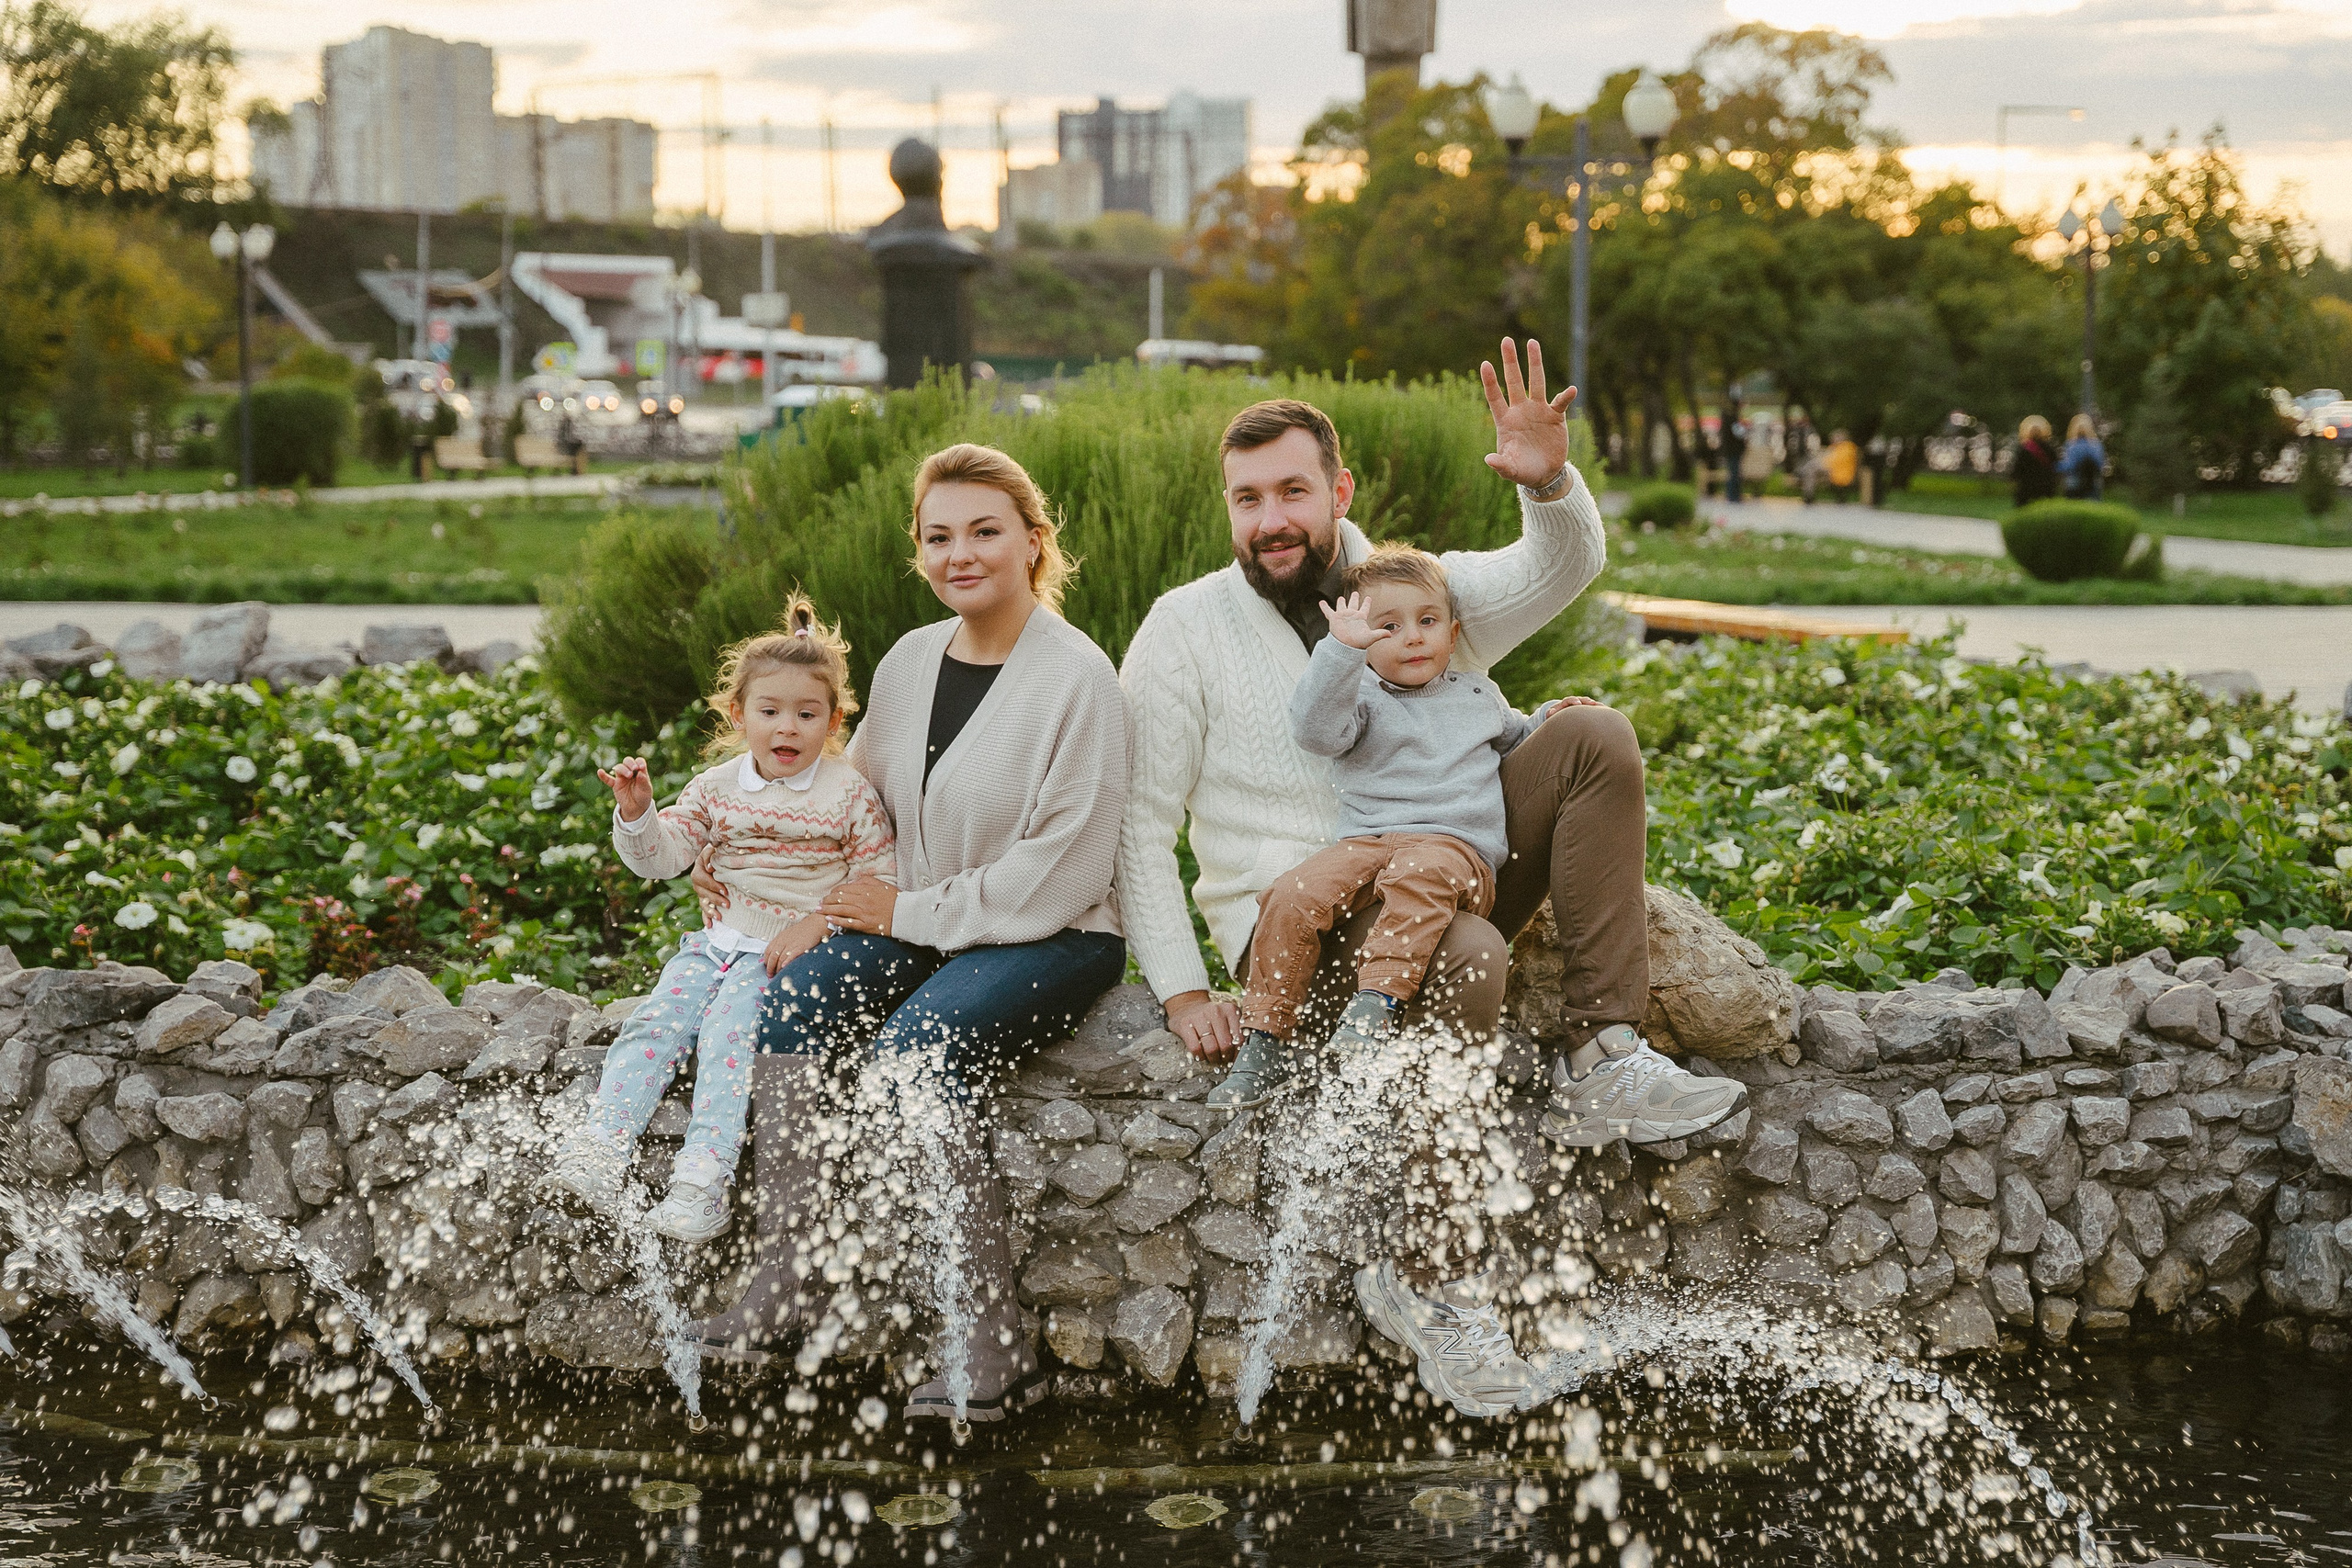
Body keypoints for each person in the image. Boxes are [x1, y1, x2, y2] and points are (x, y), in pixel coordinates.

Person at [1116, 340, 1745, 1420]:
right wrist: (1178, 986)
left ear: (1338, 491)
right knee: (1469, 956)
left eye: (1292, 492)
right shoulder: (1184, 626)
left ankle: (1605, 1048)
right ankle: (1431, 1273)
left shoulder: (1420, 594)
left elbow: (1562, 569)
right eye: (1246, 498)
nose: (1271, 519)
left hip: (1449, 870)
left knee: (1592, 733)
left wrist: (1548, 484)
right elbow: (1138, 819)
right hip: (1304, 922)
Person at [698, 443, 1132, 1427]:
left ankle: (990, 1342)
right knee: (796, 998)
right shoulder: (904, 662)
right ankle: (792, 1274)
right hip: (917, 919)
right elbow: (866, 814)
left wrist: (908, 915)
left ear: (1033, 541)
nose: (960, 553)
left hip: (1049, 934)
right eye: (938, 536)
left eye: (984, 531)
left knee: (919, 1051)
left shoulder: (1079, 680)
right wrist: (801, 896)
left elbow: (1059, 869)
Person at [548, 599, 894, 1240]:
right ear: (739, 714)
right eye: (769, 712)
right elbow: (664, 856)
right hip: (713, 943)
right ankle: (601, 1146)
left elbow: (878, 879)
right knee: (656, 1020)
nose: (786, 728)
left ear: (834, 719)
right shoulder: (715, 787)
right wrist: (637, 815)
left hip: (777, 955)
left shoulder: (848, 795)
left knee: (731, 1038)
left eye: (806, 714)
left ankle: (703, 1179)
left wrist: (821, 922)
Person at [1210, 546, 1575, 1109]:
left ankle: (1376, 1004)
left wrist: (1548, 716)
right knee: (1291, 893)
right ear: (1366, 642)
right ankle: (1266, 1038)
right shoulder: (1359, 700)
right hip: (1367, 841)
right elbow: (1313, 730)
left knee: (1419, 877)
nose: (1411, 637)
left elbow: (1516, 740)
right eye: (1388, 627)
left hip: (1453, 848)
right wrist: (1339, 654)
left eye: (1427, 622)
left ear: (1452, 634)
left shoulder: (1479, 693)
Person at [2012, 415, 2059, 507]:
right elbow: (2055, 468)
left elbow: (2017, 470)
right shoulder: (2050, 449)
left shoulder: (2024, 450)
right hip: (2046, 488)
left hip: (2026, 489)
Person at [2061, 412, 2106, 500]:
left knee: (2073, 510)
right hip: (2093, 482)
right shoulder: (2096, 445)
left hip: (2074, 482)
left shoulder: (2071, 445)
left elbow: (2069, 465)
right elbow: (2100, 464)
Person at [1720, 402, 1750, 503]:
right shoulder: (1733, 419)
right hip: (1734, 451)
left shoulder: (1727, 419)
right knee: (1734, 473)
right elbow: (1739, 433)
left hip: (1730, 450)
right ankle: (1733, 496)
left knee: (1733, 472)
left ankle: (1733, 495)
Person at [1821, 429, 1860, 502]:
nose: (1835, 440)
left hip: (1844, 471)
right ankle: (1840, 497)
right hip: (1834, 470)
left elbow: (1843, 460)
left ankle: (1841, 497)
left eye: (1837, 437)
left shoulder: (1848, 446)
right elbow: (1827, 460)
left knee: (1836, 478)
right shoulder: (1834, 447)